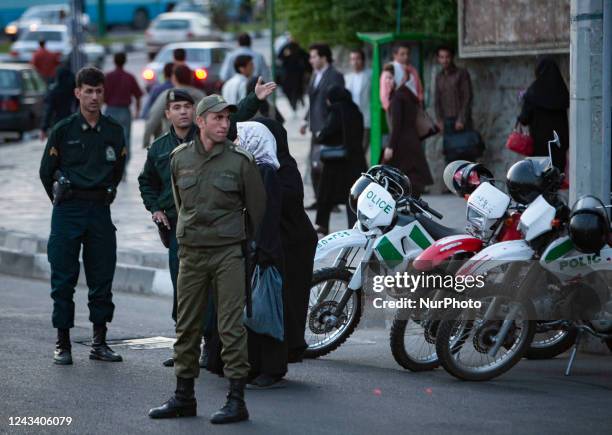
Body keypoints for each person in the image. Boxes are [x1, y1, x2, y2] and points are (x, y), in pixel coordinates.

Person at [148, 95, 266, 423]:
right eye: (217, 118)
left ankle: (236, 400)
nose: (224, 124)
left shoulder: (241, 161)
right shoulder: (178, 158)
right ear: (201, 121)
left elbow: (257, 209)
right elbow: (179, 202)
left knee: (230, 327)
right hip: (191, 253)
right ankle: (183, 396)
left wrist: (240, 242)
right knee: (187, 326)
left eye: (227, 119)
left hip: (228, 252)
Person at [38, 67, 127, 366]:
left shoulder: (114, 130)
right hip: (69, 209)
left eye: (98, 91)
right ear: (77, 93)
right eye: (87, 91)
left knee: (102, 276)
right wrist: (60, 201)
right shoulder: (63, 129)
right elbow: (45, 172)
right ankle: (63, 342)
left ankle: (99, 342)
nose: (93, 97)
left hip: (99, 210)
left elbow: (119, 168)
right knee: (63, 278)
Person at [254, 117, 317, 363]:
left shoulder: (284, 168)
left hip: (295, 244)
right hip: (281, 243)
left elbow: (281, 203)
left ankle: (290, 347)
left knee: (290, 301)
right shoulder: (262, 166)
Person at [235, 121, 286, 388]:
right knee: (254, 310)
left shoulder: (265, 170)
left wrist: (261, 252)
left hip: (263, 252)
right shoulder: (253, 168)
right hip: (254, 249)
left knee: (266, 310)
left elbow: (267, 215)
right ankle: (253, 367)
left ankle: (270, 368)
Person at [314, 86, 367, 235]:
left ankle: (322, 224)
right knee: (353, 195)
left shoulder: (336, 110)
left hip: (336, 162)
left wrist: (320, 136)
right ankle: (354, 226)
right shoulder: (356, 111)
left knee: (325, 194)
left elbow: (328, 131)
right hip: (356, 159)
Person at [299, 43, 344, 209]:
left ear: (324, 57)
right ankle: (321, 200)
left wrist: (331, 126)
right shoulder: (315, 75)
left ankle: (329, 201)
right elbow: (313, 101)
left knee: (325, 166)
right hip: (315, 127)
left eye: (314, 56)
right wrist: (305, 120)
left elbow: (337, 104)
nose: (310, 60)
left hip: (328, 128)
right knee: (314, 165)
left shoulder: (335, 76)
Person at [382, 65, 433, 197]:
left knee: (396, 181)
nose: (387, 81)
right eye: (385, 78)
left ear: (398, 77)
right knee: (409, 181)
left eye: (390, 77)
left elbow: (397, 125)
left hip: (402, 144)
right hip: (410, 142)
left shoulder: (398, 97)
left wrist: (390, 146)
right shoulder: (406, 93)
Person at [518, 56, 569, 170]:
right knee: (555, 179)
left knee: (539, 179)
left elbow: (524, 119)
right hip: (558, 146)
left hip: (539, 147)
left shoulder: (533, 92)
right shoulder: (561, 92)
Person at [142, 65, 206, 148]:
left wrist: (146, 142)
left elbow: (153, 118)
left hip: (170, 145)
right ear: (191, 78)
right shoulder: (201, 95)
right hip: (199, 144)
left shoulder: (167, 95)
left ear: (174, 78)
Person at [434, 45, 474, 162]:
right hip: (447, 122)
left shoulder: (461, 73)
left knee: (465, 153)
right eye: (441, 57)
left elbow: (467, 96)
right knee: (449, 155)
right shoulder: (439, 77)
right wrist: (439, 120)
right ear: (438, 59)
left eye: (447, 57)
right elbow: (437, 100)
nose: (444, 60)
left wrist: (461, 118)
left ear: (452, 58)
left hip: (461, 121)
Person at [104, 52, 143, 167]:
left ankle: (111, 163)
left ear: (114, 61)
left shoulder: (108, 77)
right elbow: (138, 95)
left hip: (110, 111)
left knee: (109, 140)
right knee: (125, 140)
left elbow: (101, 95)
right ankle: (123, 165)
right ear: (125, 61)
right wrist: (137, 111)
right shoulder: (129, 77)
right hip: (125, 112)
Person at [40, 63, 77, 140]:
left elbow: (49, 110)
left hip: (58, 122)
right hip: (72, 122)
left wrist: (44, 128)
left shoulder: (54, 92)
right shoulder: (74, 91)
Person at [345, 48, 371, 152]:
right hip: (351, 119)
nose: (355, 62)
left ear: (363, 60)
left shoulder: (371, 75)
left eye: (358, 59)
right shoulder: (347, 78)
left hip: (366, 118)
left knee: (362, 148)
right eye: (352, 59)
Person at [277, 37, 310, 112]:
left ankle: (297, 101)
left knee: (297, 89)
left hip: (298, 74)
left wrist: (307, 70)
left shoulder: (299, 49)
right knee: (288, 90)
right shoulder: (285, 48)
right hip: (287, 74)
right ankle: (294, 102)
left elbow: (306, 58)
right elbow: (279, 58)